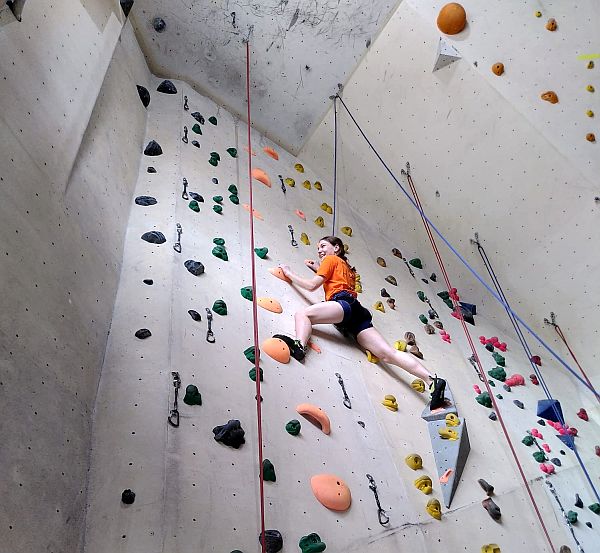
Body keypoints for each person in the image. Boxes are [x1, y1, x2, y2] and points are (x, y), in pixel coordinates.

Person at [276, 235, 447, 409]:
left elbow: (312, 286)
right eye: (318, 248)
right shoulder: (346, 267)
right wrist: (318, 268)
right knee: (388, 354)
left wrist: (289, 273)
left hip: (343, 305)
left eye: (323, 246)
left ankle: (299, 346)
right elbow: (337, 281)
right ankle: (432, 380)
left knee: (303, 315)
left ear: (336, 248)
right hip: (356, 312)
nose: (319, 250)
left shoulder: (330, 259)